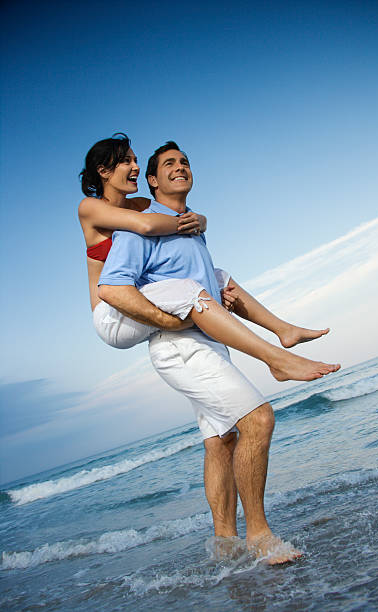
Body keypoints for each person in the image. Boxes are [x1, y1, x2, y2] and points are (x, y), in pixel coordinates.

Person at [97, 140, 341, 563]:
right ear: (152, 181)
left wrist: (210, 293)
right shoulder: (139, 227)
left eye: (185, 162)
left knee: (220, 442)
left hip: (209, 344)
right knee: (259, 420)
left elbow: (202, 283)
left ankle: (225, 547)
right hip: (181, 348)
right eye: (168, 164)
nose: (180, 167)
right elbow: (113, 287)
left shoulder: (191, 226)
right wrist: (170, 321)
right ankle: (260, 536)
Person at [80, 134, 337, 380]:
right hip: (113, 313)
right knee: (189, 289)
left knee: (218, 276)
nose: (134, 166)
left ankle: (284, 330)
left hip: (141, 297)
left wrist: (201, 221)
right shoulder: (90, 207)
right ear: (104, 171)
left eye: (135, 160)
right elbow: (147, 226)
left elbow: (170, 219)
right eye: (126, 161)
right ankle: (275, 360)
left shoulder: (138, 204)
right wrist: (197, 222)